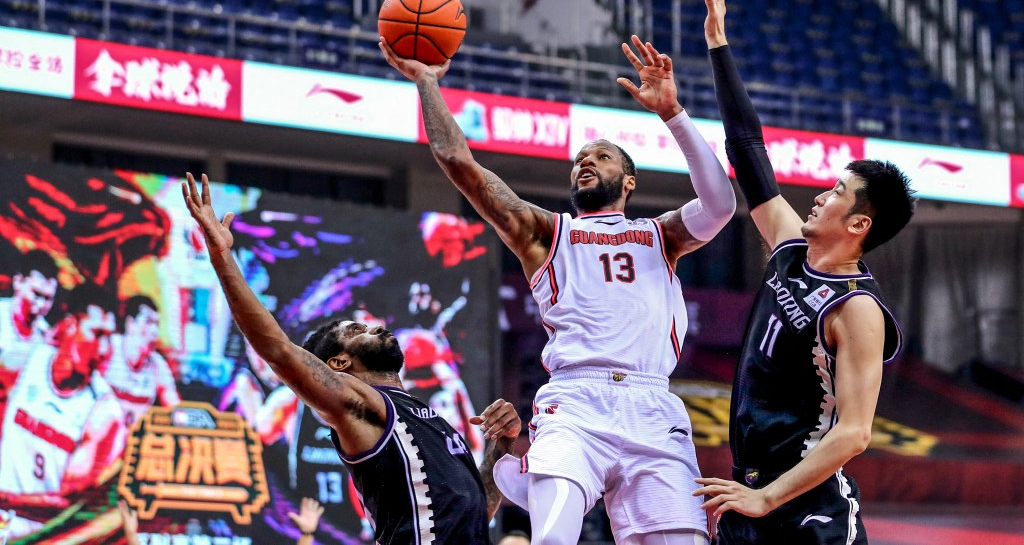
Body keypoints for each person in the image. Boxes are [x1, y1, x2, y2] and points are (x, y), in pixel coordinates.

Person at [379, 33, 737, 545]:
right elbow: (460, 164)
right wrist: (428, 84)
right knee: (551, 539)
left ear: (629, 181)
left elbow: (722, 204)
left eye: (603, 157)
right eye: (580, 159)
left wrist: (674, 114)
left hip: (652, 405)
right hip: (576, 402)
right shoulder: (547, 232)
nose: (586, 162)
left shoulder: (663, 235)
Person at [691, 0, 916, 543]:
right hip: (752, 492)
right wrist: (719, 46)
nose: (821, 194)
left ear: (859, 224)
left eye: (837, 192)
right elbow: (748, 150)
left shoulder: (857, 309)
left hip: (808, 509)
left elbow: (855, 433)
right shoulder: (791, 249)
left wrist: (768, 497)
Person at [182, 173, 521, 544]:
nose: (374, 327)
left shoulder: (428, 419)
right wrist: (221, 256)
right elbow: (277, 350)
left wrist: (500, 446)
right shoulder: (362, 405)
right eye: (357, 330)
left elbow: (479, 512)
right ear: (339, 364)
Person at [0, 284, 125, 538]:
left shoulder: (105, 413)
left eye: (109, 337)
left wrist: (4, 498)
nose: (104, 350)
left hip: (45, 534)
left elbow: (68, 504)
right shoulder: (26, 359)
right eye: (97, 334)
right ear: (69, 326)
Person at [103, 295, 181, 427]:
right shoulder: (108, 348)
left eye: (157, 324)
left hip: (132, 442)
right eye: (148, 322)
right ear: (130, 323)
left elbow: (173, 404)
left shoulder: (157, 364)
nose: (154, 331)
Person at [0, 249, 59, 350]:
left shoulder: (46, 336)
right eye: (36, 294)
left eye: (48, 299)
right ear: (18, 282)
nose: (41, 304)